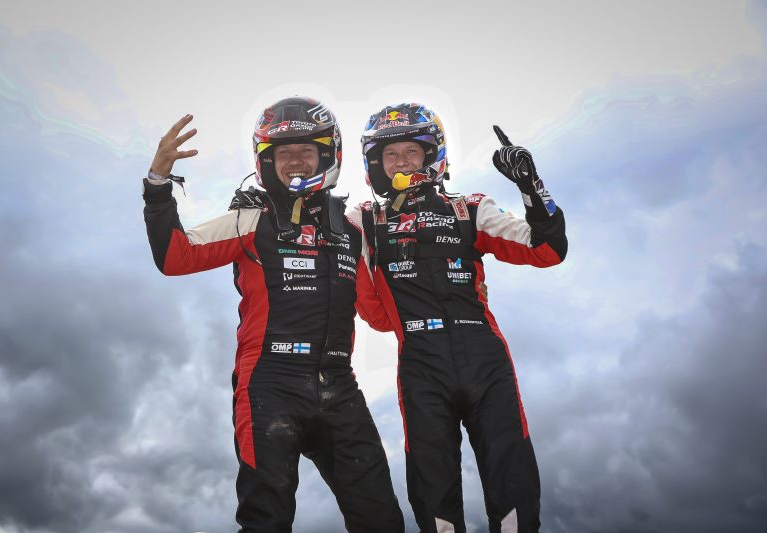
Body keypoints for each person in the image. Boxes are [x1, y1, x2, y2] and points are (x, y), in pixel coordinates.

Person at [142, 97, 404, 533]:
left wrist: (455, 292)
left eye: (306, 150)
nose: (295, 161)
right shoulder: (249, 219)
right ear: (267, 162)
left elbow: (379, 316)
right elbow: (175, 257)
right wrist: (157, 183)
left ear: (328, 155)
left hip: (339, 384)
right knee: (267, 519)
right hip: (269, 381)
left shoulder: (350, 229)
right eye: (284, 153)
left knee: (381, 518)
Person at [351, 102, 568, 533]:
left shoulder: (470, 207)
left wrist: (531, 185)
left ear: (432, 155)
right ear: (375, 164)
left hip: (484, 358)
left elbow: (547, 250)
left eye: (411, 151)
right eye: (390, 154)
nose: (401, 162)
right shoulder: (362, 220)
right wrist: (263, 204)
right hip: (421, 365)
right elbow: (375, 315)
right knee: (434, 496)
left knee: (513, 485)